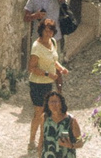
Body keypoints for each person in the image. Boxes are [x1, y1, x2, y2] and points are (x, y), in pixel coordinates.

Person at [23, 23, 68, 151]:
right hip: (37, 84)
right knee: (38, 113)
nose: (48, 34)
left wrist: (61, 68)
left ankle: (42, 141)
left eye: (51, 31)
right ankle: (32, 141)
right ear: (41, 31)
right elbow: (31, 68)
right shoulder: (36, 47)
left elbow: (54, 60)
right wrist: (48, 74)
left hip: (48, 83)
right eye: (46, 31)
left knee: (45, 114)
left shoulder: (53, 42)